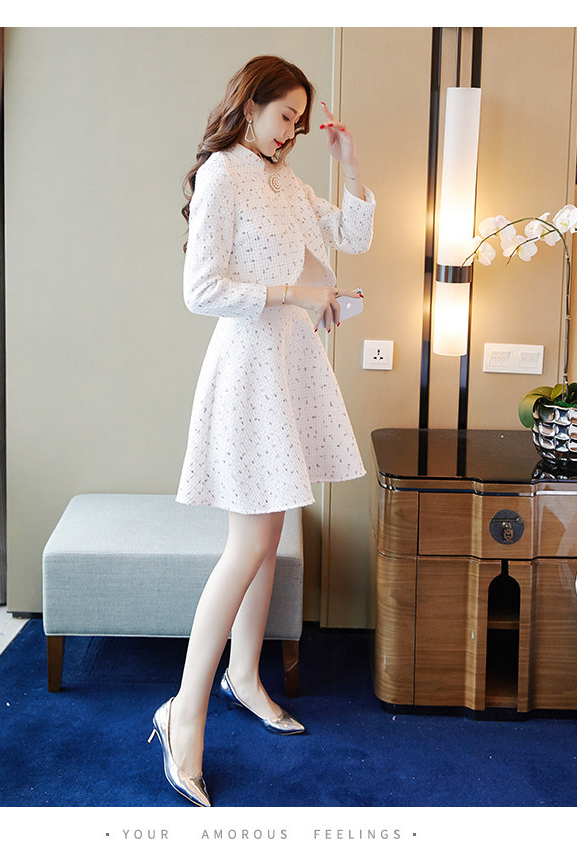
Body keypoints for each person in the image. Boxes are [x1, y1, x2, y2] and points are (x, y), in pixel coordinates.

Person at [147, 55, 375, 807]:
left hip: (286, 363)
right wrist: (295, 293)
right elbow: (201, 289)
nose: (291, 133)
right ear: (250, 105)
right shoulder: (223, 174)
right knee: (247, 543)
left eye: (301, 124)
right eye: (285, 117)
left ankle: (244, 676)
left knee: (269, 535)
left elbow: (351, 234)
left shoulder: (285, 178)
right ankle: (183, 713)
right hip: (249, 368)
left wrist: (349, 163)